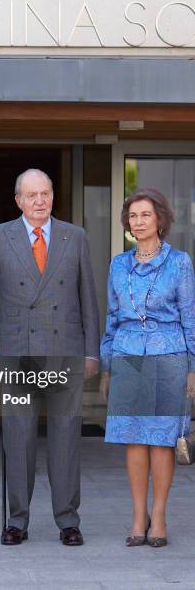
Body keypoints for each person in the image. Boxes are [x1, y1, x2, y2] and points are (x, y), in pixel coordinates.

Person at [0, 169, 100, 546]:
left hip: (64, 349)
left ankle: (68, 520)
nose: (39, 201)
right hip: (16, 351)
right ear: (18, 200)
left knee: (66, 440)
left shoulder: (74, 236)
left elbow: (88, 299)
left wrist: (92, 351)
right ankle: (17, 520)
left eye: (45, 193)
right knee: (18, 439)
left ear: (53, 196)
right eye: (31, 195)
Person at [100, 188, 195, 548]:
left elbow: (190, 317)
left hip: (169, 356)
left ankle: (161, 516)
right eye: (133, 216)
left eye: (145, 215)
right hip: (127, 357)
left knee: (160, 442)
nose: (137, 222)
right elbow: (111, 316)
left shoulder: (179, 262)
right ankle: (138, 517)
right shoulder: (118, 264)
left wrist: (193, 369)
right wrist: (107, 365)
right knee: (134, 441)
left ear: (160, 221)